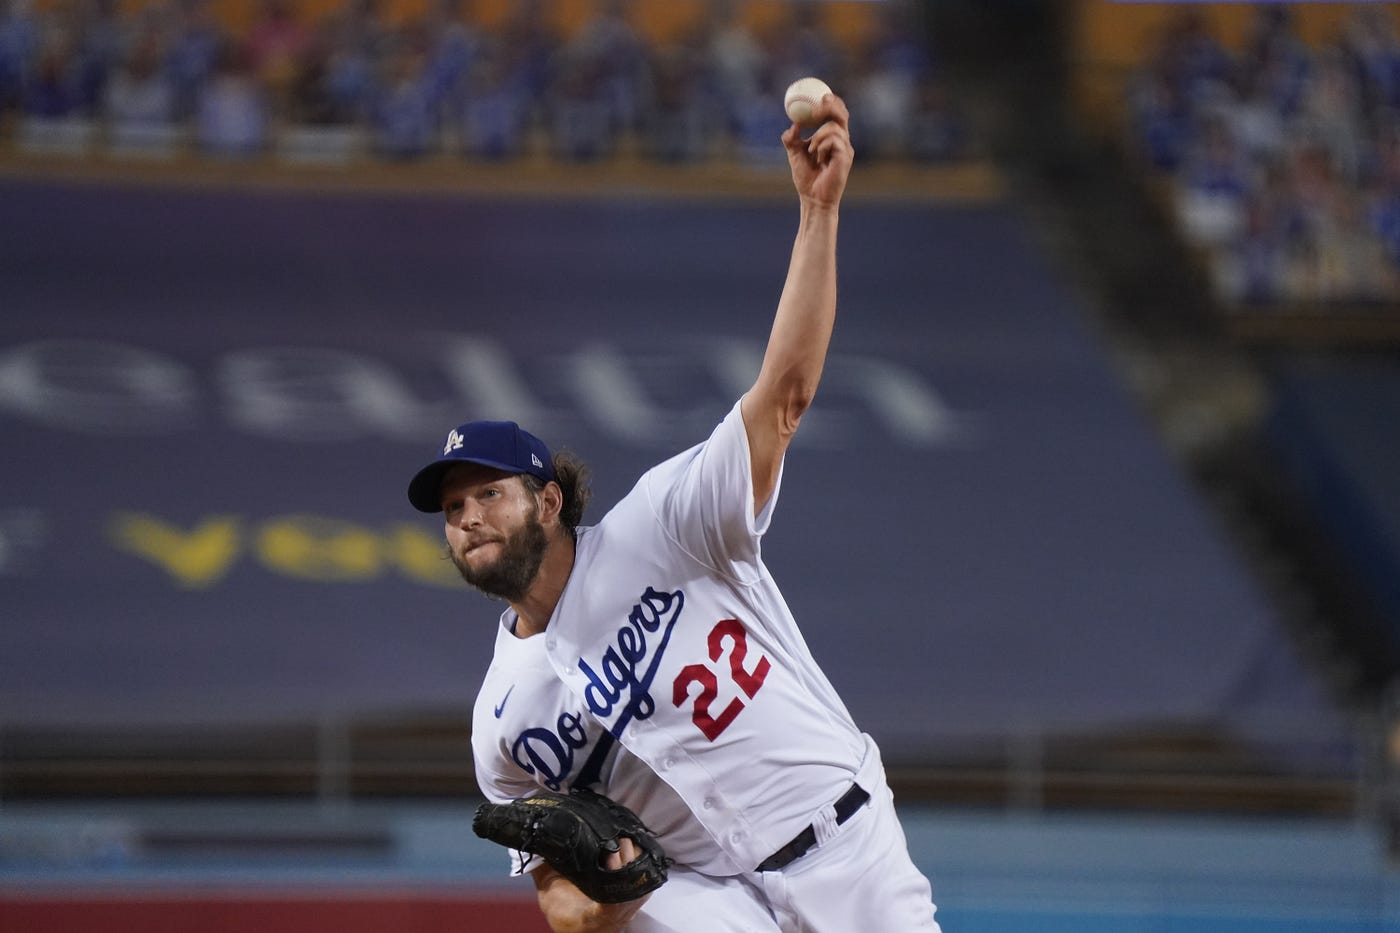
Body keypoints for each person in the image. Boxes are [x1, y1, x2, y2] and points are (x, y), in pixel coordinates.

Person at [406, 92, 942, 933]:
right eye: (452, 506)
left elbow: (784, 397)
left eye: (488, 493)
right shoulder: (503, 726)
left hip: (842, 844)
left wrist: (818, 212)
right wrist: (598, 907)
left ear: (548, 499)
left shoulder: (665, 524)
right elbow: (559, 896)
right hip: (703, 898)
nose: (467, 516)